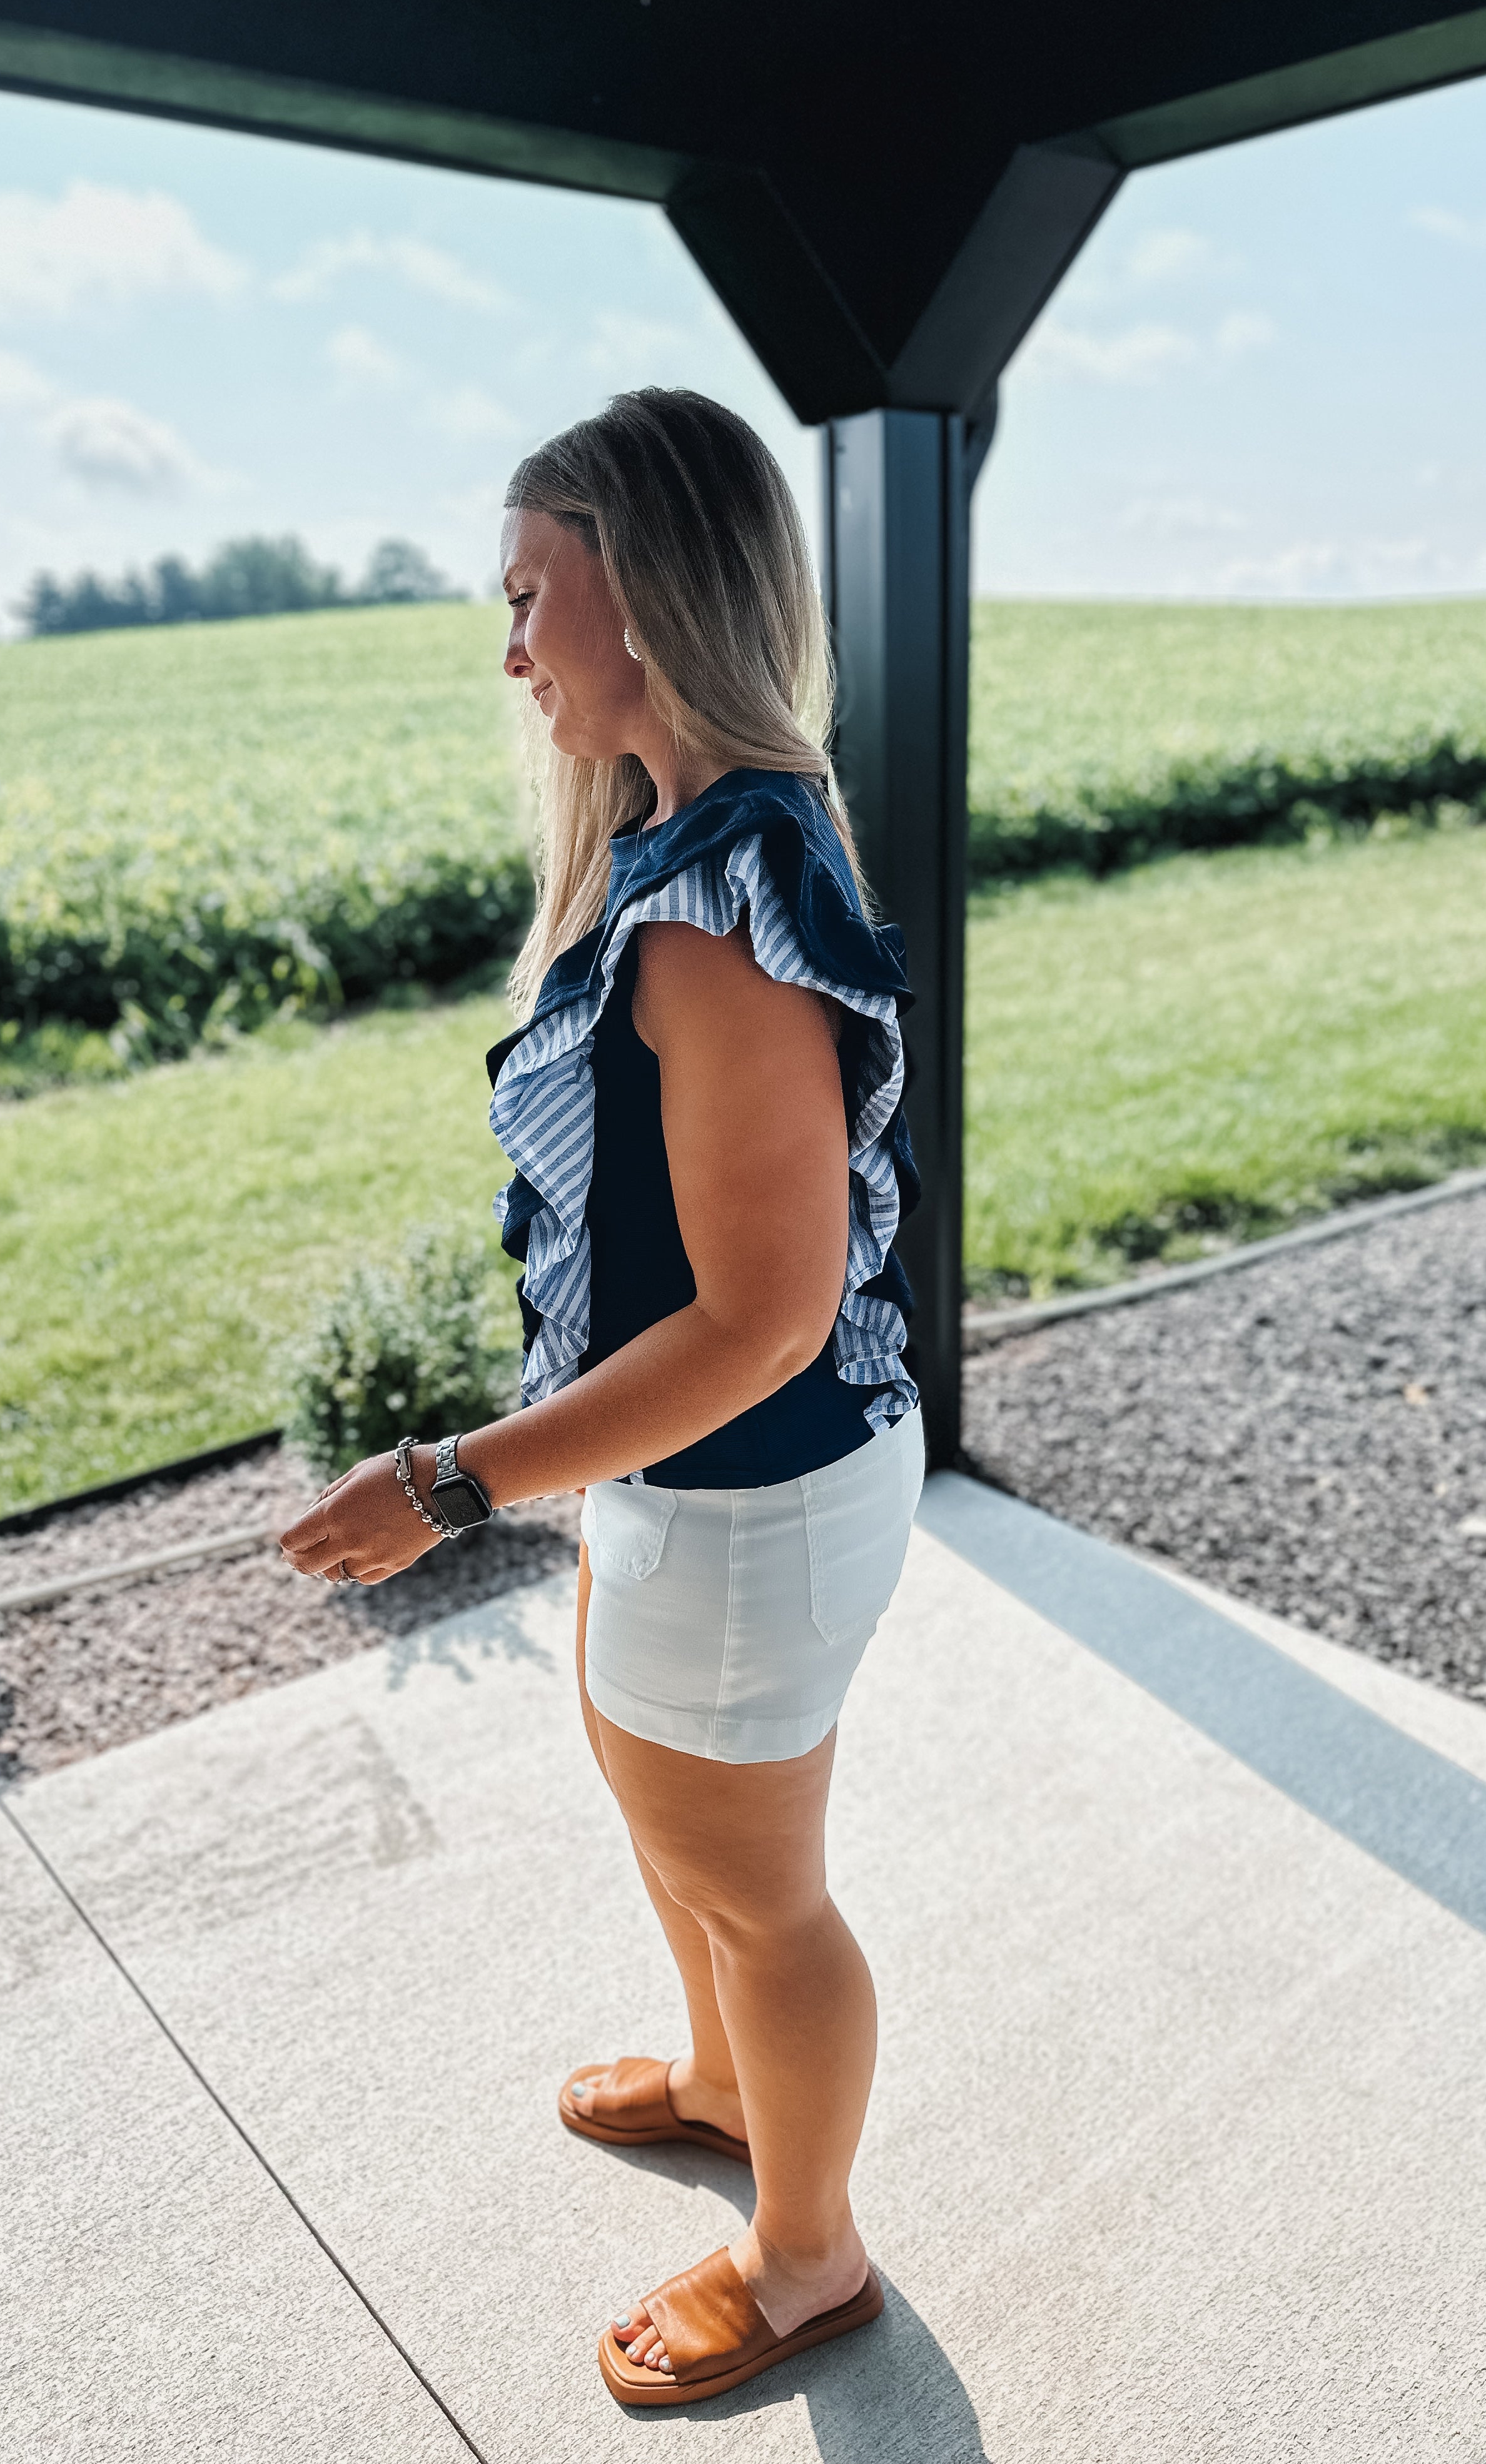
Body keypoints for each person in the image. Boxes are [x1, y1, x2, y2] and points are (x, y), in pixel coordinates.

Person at [279, 387, 927, 2409]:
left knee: (758, 1882)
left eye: (528, 600)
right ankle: (728, 2084)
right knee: (677, 1828)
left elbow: (763, 1319)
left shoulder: (721, 903)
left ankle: (808, 2257)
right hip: (685, 1483)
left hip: (750, 1486)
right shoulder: (682, 836)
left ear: (638, 593)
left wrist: (449, 1483)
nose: (508, 652)